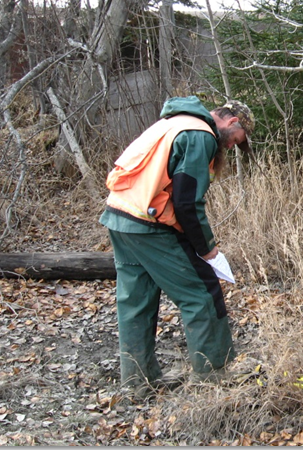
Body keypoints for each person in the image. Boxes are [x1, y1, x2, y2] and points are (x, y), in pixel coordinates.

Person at [99, 95, 255, 394]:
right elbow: (187, 202)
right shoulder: (200, 135)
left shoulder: (172, 123)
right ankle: (214, 378)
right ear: (232, 122)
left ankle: (138, 383)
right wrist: (208, 250)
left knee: (136, 301)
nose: (233, 146)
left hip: (119, 216)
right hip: (147, 224)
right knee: (202, 293)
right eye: (237, 139)